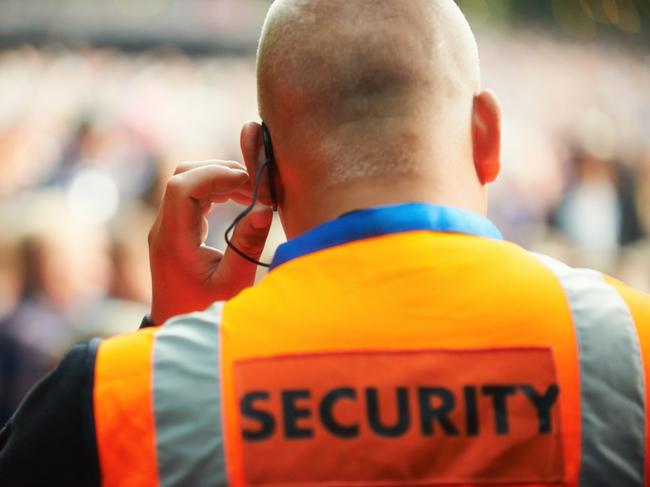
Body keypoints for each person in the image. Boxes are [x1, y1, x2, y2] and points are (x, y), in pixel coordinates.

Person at [1, 0, 649, 486]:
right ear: (487, 133)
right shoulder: (632, 348)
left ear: (257, 158)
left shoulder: (116, 396)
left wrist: (173, 335)